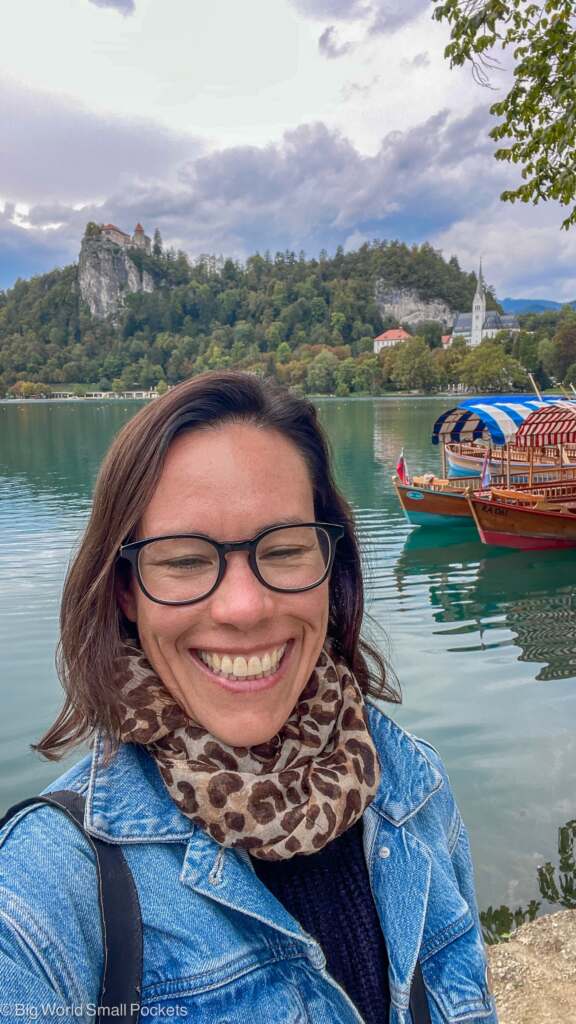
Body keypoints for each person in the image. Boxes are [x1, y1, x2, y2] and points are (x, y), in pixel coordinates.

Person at [0, 371, 497, 1023]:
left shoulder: (415, 791)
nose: (243, 607)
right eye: (183, 561)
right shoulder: (45, 892)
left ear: (331, 568)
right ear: (126, 591)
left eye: (285, 549)